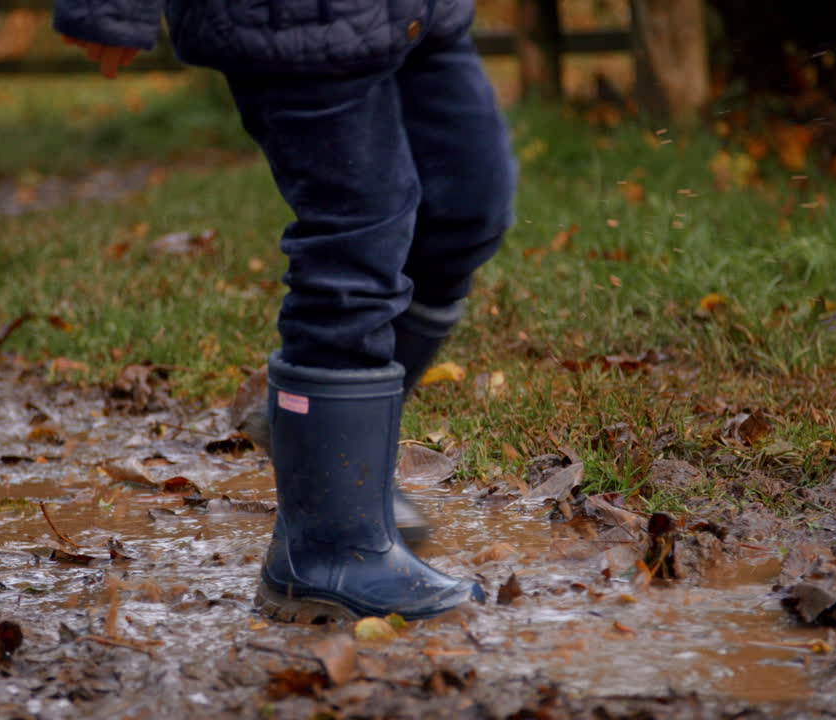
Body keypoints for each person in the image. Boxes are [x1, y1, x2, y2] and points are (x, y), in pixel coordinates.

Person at [55, 0, 516, 622]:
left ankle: (324, 460)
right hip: (293, 19)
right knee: (356, 234)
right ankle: (327, 550)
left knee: (466, 209)